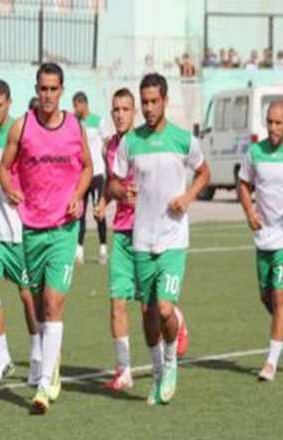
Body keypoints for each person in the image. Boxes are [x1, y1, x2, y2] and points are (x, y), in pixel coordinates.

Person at [0, 62, 93, 414]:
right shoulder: (21, 127)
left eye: (54, 89)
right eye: (43, 89)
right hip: (32, 230)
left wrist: (78, 196)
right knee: (39, 306)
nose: (48, 95)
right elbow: (3, 168)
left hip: (64, 229)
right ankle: (53, 360)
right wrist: (9, 189)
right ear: (36, 90)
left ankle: (44, 383)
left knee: (54, 303)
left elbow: (88, 167)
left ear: (62, 90)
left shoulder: (74, 126)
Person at [111, 73, 210, 405]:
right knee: (147, 312)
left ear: (165, 101)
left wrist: (189, 197)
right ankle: (156, 374)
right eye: (145, 102)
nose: (149, 108)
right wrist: (122, 192)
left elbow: (204, 172)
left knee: (166, 310)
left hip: (173, 240)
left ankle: (170, 364)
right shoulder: (131, 142)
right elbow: (113, 182)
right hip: (142, 240)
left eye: (155, 101)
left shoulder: (183, 140)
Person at [95, 88, 189, 392]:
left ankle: (174, 321)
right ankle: (124, 370)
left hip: (146, 233)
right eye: (116, 109)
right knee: (117, 302)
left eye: (126, 109)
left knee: (150, 308)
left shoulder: (143, 141)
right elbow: (113, 184)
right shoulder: (111, 147)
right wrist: (104, 202)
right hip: (121, 234)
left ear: (134, 112)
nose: (120, 114)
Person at [0, 79, 41, 386]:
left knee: (28, 297)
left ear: (9, 104)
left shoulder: (20, 132)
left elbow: (30, 178)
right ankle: (2, 358)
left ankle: (37, 356)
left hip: (21, 230)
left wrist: (9, 185)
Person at [238, 100, 283, 382]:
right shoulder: (255, 152)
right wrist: (249, 212)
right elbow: (243, 183)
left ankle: (270, 363)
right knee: (266, 297)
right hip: (264, 235)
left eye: (279, 123)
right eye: (270, 122)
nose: (273, 128)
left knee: (279, 296)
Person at [72, 91, 107, 265]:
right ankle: (79, 251)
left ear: (83, 104)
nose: (74, 109)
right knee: (80, 213)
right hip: (82, 175)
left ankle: (103, 249)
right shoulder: (75, 123)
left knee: (98, 212)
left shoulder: (98, 121)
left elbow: (106, 143)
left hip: (98, 174)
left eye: (76, 105)